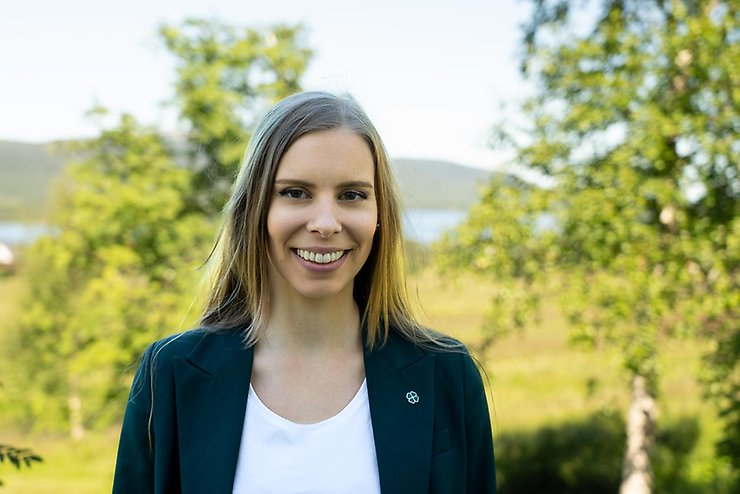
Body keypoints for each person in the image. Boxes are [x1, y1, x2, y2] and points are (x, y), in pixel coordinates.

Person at [112, 91, 496, 493]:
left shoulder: (446, 376)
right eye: (295, 192)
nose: (326, 223)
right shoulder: (170, 375)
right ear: (255, 209)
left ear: (379, 215)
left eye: (352, 195)